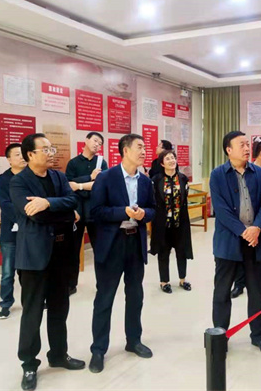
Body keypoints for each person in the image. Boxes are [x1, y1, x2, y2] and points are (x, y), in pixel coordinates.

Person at [9, 133, 84, 391]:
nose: (51, 153)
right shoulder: (19, 182)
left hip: (61, 253)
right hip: (34, 256)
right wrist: (64, 213)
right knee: (32, 312)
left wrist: (47, 203)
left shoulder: (59, 177)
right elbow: (37, 217)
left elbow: (73, 201)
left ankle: (59, 354)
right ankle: (29, 364)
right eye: (46, 149)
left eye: (52, 149)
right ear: (30, 154)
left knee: (60, 307)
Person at [89, 134, 156, 373]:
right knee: (104, 298)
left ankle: (133, 340)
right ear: (125, 151)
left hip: (135, 243)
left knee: (135, 295)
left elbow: (153, 209)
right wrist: (123, 212)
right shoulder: (106, 178)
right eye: (139, 147)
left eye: (144, 147)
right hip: (112, 244)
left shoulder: (145, 181)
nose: (143, 151)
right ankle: (98, 349)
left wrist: (143, 214)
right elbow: (95, 211)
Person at [210, 131, 261, 356]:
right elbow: (221, 210)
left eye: (248, 144)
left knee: (256, 291)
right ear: (229, 150)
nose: (247, 148)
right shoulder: (218, 175)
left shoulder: (259, 172)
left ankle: (259, 336)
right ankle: (220, 337)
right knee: (222, 292)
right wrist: (244, 231)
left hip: (255, 241)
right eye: (242, 145)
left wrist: (256, 227)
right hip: (228, 242)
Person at [65, 132, 108, 295]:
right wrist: (90, 177)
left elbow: (101, 185)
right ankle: (71, 284)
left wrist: (80, 185)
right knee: (73, 250)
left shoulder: (101, 163)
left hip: (95, 211)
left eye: (100, 143)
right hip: (77, 211)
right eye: (95, 140)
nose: (97, 145)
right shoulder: (73, 163)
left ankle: (102, 284)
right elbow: (68, 185)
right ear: (86, 140)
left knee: (100, 250)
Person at [231, 141, 261, 298]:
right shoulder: (246, 171)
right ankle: (239, 284)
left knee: (260, 254)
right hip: (243, 222)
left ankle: (258, 282)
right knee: (240, 253)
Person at [150, 149, 193, 293]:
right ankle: (164, 282)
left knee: (182, 251)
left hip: (180, 223)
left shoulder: (183, 178)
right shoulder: (156, 180)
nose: (171, 160)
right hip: (163, 224)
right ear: (162, 163)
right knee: (163, 253)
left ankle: (183, 279)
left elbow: (184, 199)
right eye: (167, 158)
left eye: (173, 158)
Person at [0, 142, 26, 319]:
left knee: (27, 271)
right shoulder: (3, 180)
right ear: (8, 159)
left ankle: (29, 301)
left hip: (29, 232)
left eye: (23, 153)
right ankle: (5, 303)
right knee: (8, 272)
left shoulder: (31, 176)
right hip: (10, 232)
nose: (22, 157)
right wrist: (25, 217)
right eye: (17, 154)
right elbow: (5, 205)